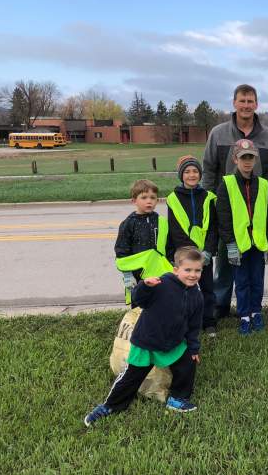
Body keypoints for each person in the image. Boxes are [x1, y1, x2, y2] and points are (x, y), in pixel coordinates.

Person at [201, 84, 268, 320]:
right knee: (224, 260)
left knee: (253, 264)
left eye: (250, 101)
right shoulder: (218, 133)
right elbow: (209, 170)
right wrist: (208, 200)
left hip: (257, 212)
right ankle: (220, 306)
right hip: (226, 211)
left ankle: (252, 308)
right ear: (234, 103)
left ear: (256, 104)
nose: (246, 105)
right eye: (242, 101)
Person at [84, 246, 204, 426]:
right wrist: (144, 286)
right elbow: (138, 300)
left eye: (197, 270)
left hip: (173, 343)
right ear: (176, 269)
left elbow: (194, 325)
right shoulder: (161, 284)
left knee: (187, 364)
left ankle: (177, 399)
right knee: (131, 376)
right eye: (188, 270)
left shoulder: (197, 296)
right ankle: (110, 406)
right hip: (147, 342)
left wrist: (193, 348)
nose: (193, 275)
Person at [215, 139, 268, 335]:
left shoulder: (264, 184)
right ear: (235, 159)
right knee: (241, 282)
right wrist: (230, 243)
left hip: (258, 242)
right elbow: (223, 216)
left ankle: (256, 312)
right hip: (238, 244)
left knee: (257, 280)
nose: (247, 162)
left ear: (255, 159)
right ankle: (244, 316)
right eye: (243, 158)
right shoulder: (227, 184)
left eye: (250, 157)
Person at [166, 155, 218, 337]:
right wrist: (187, 254)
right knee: (185, 290)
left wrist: (208, 251)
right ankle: (186, 321)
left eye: (195, 171)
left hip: (204, 255)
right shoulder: (173, 199)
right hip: (186, 255)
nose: (191, 175)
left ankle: (209, 322)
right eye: (187, 172)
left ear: (200, 174)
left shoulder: (208, 197)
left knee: (207, 289)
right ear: (181, 175)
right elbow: (175, 229)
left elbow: (212, 227)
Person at [114, 179, 173, 305]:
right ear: (134, 200)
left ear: (157, 201)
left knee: (160, 302)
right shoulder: (129, 223)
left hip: (160, 271)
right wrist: (127, 274)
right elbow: (121, 250)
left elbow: (169, 246)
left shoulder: (161, 221)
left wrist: (172, 264)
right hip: (137, 273)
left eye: (153, 197)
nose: (149, 201)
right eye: (144, 197)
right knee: (140, 304)